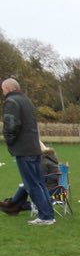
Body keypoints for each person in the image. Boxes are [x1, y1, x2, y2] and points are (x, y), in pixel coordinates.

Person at [2, 79, 55, 226]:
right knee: (39, 182)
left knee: (32, 184)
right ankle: (48, 213)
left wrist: (9, 140)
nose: (3, 92)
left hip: (24, 149)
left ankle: (45, 217)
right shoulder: (27, 101)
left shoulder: (11, 102)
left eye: (3, 89)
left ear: (8, 88)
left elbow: (11, 125)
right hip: (34, 147)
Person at [1, 142, 59, 215]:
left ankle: (11, 204)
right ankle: (12, 206)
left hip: (50, 189)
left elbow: (40, 178)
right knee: (25, 185)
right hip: (57, 189)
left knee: (25, 186)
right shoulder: (51, 159)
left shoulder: (44, 162)